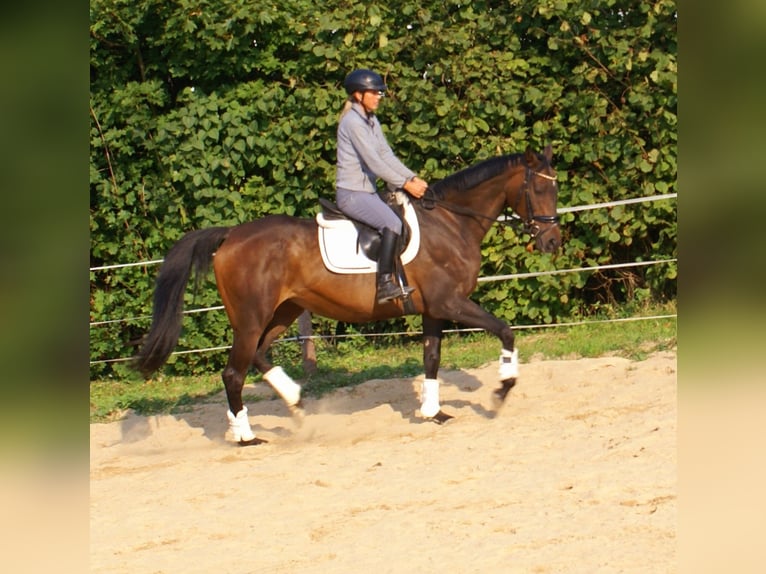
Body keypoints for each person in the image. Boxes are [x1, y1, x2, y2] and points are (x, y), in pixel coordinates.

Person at [336, 68, 429, 304]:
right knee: (392, 222)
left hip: (368, 192)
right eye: (375, 92)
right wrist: (406, 185)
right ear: (359, 95)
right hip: (353, 195)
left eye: (380, 92)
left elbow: (386, 155)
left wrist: (412, 177)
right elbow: (374, 162)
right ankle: (385, 284)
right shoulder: (353, 122)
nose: (379, 96)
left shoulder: (370, 120)